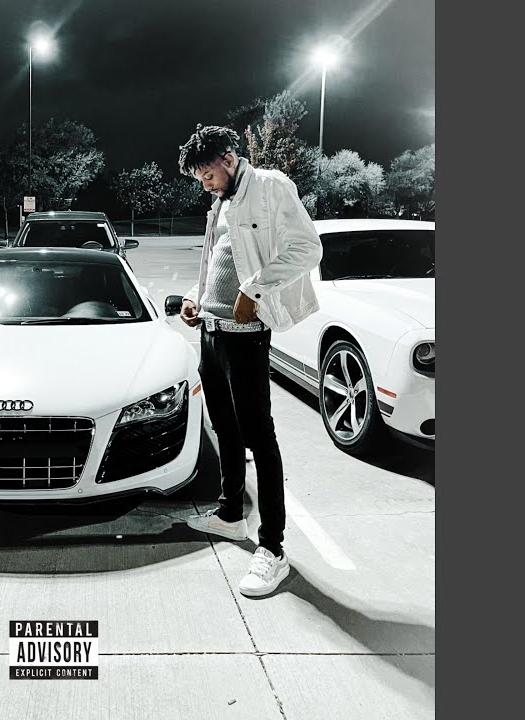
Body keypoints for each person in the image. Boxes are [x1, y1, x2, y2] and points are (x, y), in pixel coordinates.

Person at [178, 125, 323, 598]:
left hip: (246, 336)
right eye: (200, 179)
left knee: (259, 437)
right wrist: (195, 297)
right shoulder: (220, 202)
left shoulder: (270, 187)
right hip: (210, 331)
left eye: (208, 175)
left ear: (228, 158)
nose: (205, 184)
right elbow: (217, 259)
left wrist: (254, 290)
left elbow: (308, 248)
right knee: (225, 428)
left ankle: (273, 549)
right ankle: (230, 515)